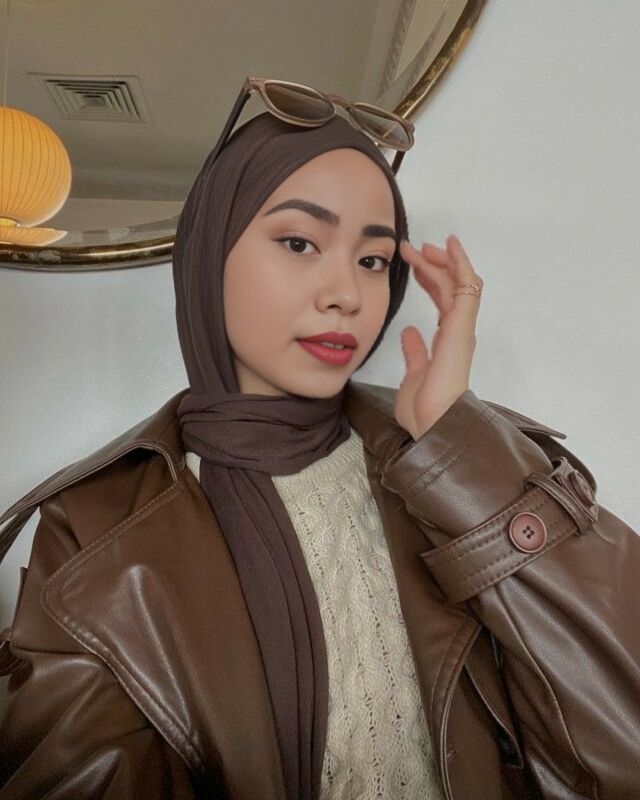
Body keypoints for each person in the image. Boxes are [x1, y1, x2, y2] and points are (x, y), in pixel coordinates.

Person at [0, 77, 638, 800]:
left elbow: (623, 731)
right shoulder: (93, 528)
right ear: (210, 255)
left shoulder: (460, 465)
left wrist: (460, 450)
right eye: (300, 242)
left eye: (372, 260)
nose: (347, 295)